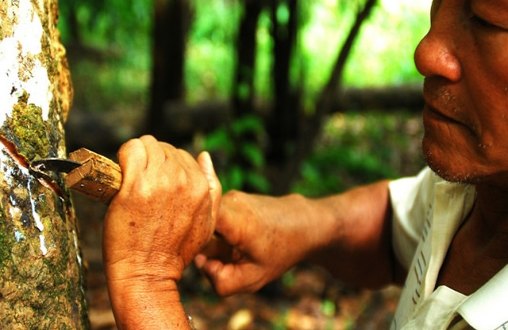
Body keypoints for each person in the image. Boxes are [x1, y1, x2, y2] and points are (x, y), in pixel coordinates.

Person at [102, 0, 508, 329]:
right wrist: (296, 224)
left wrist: (146, 287)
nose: (427, 52)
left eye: (487, 20)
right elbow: (395, 227)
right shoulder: (481, 188)